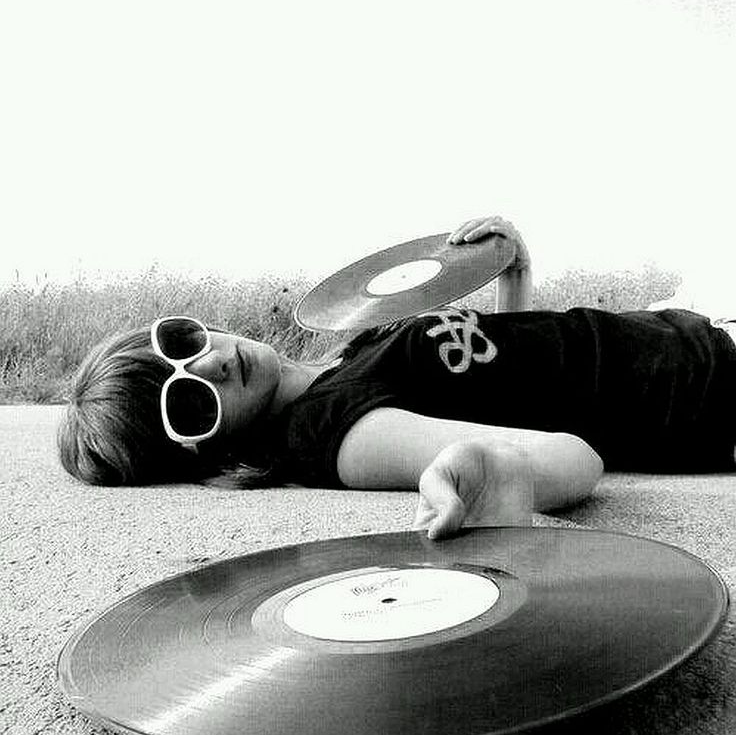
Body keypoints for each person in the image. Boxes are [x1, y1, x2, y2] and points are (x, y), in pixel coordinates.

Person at [58, 217, 736, 540]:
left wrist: (516, 276)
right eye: (187, 398)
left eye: (182, 345)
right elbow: (569, 451)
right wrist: (494, 475)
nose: (209, 364)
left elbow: (501, 385)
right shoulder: (329, 431)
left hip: (677, 330)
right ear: (205, 447)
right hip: (706, 385)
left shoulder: (339, 366)